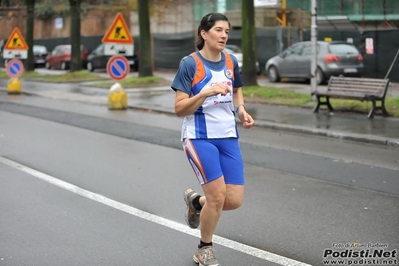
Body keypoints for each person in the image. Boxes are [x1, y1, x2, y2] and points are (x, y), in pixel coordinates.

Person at [171, 12, 255, 266]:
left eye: (227, 31)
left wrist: (241, 110)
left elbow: (237, 89)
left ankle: (196, 202)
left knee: (233, 200)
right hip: (199, 137)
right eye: (218, 30)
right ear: (204, 34)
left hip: (228, 135)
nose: (224, 35)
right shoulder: (190, 64)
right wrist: (206, 92)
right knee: (218, 197)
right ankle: (203, 248)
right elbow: (179, 109)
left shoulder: (230, 60)